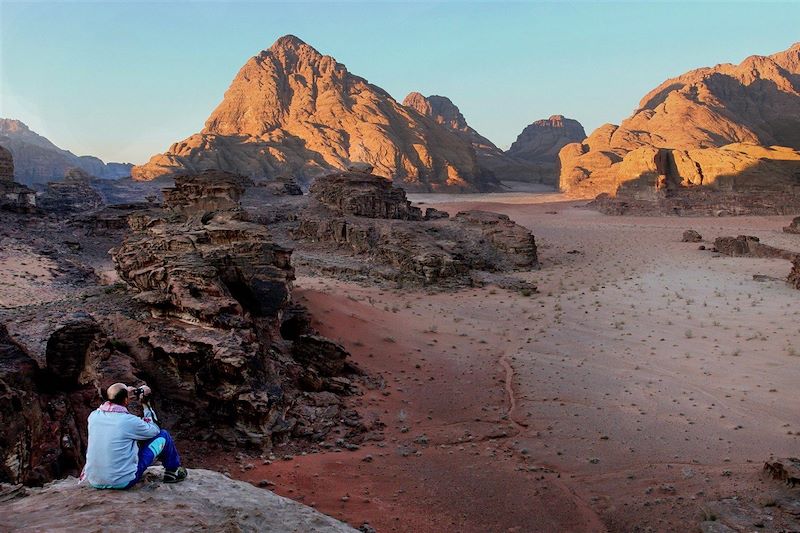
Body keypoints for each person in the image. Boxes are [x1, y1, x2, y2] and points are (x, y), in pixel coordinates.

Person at [81, 382, 187, 488]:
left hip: (95, 480)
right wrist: (146, 404)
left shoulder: (94, 416)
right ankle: (173, 471)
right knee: (164, 435)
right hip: (123, 481)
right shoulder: (128, 421)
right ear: (126, 400)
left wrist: (124, 395)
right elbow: (155, 430)